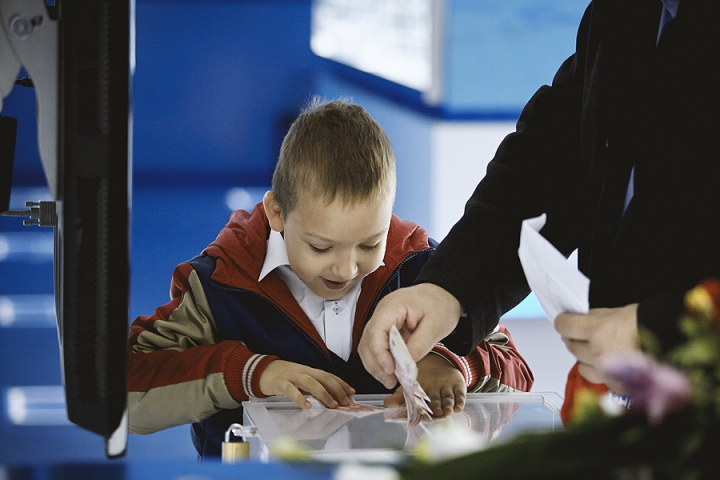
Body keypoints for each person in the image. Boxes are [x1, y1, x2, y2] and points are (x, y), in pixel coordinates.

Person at [358, 0, 720, 423]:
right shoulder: (622, 13)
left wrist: (661, 329)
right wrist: (446, 290)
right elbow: (551, 160)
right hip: (621, 406)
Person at [126, 98, 534, 457]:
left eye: (370, 243)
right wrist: (249, 373)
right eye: (321, 247)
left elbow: (515, 369)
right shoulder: (219, 287)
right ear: (277, 213)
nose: (346, 269)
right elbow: (123, 388)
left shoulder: (422, 271)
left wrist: (451, 365)